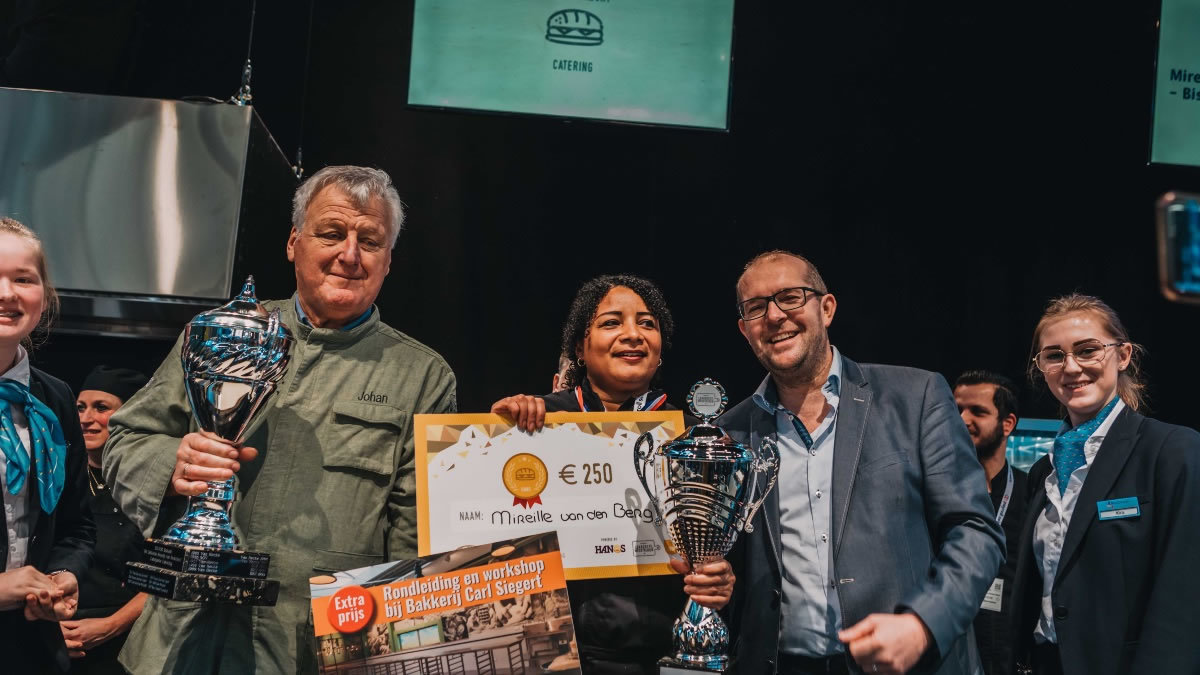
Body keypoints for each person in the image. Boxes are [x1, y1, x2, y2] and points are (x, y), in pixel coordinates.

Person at [102, 166, 458, 674]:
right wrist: (172, 465)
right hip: (179, 643)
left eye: (370, 241)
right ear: (294, 243)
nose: (349, 255)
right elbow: (127, 439)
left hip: (308, 652)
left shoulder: (423, 377)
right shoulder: (219, 334)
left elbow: (414, 544)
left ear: (389, 262)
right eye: (331, 233)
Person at [720, 250, 1004, 675]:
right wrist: (717, 577)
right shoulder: (732, 431)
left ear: (827, 308)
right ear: (745, 330)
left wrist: (923, 623)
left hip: (912, 665)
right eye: (756, 308)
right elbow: (737, 563)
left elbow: (975, 531)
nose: (775, 316)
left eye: (791, 297)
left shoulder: (916, 396)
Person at [491, 274, 733, 674]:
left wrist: (721, 578)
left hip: (672, 655)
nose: (633, 334)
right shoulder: (538, 422)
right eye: (611, 323)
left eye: (647, 323)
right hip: (572, 660)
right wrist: (498, 431)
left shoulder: (694, 437)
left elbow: (724, 555)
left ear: (660, 350)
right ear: (580, 349)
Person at [1009, 294, 1200, 675]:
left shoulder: (1173, 451)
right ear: (1040, 368)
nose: (1071, 367)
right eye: (1054, 355)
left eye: (1088, 350)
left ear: (1123, 355)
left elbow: (1185, 595)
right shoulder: (1042, 472)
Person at [0, 217, 95, 673]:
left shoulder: (55, 397)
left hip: (31, 648)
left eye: (23, 279)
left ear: (44, 297)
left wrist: (62, 578)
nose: (7, 293)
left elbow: (76, 524)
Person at [61, 365, 149, 672]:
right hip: (58, 637)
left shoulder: (151, 485)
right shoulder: (59, 478)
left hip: (123, 643)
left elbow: (167, 578)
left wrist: (110, 626)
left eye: (101, 408)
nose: (86, 419)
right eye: (80, 408)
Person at [953, 370, 1028, 675]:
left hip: (1009, 657)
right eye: (956, 410)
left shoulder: (1032, 493)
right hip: (949, 651)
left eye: (977, 412)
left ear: (1007, 423)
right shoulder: (929, 493)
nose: (962, 420)